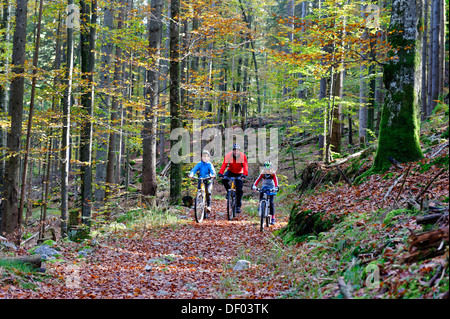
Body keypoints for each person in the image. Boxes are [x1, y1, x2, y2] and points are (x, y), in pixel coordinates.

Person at [218, 143, 248, 214]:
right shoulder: (228, 155)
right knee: (224, 179)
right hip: (230, 171)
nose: (235, 152)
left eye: (237, 150)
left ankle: (238, 206)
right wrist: (220, 173)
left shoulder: (242, 156)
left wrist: (244, 175)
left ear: (239, 151)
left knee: (239, 190)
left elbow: (245, 166)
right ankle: (229, 191)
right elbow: (224, 165)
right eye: (234, 150)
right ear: (233, 151)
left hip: (240, 172)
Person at [189, 150, 216, 218]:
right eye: (203, 156)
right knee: (199, 190)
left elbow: (212, 170)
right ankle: (199, 202)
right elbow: (194, 169)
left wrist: (212, 175)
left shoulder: (209, 164)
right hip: (201, 180)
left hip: (208, 180)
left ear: (209, 158)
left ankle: (208, 206)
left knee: (208, 191)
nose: (205, 158)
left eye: (206, 157)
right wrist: (191, 174)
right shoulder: (199, 164)